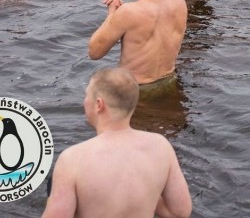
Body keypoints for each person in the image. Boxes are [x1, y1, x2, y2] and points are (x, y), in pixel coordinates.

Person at [42, 67, 192, 218]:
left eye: (87, 95)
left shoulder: (72, 159)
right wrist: (148, 189)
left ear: (99, 105)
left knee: (52, 184)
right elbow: (180, 212)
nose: (84, 101)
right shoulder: (161, 147)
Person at [89, 0, 187, 85]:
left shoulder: (128, 13)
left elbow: (94, 52)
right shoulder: (179, 2)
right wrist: (122, 10)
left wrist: (112, 13)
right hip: (169, 84)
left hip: (137, 92)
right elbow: (148, 15)